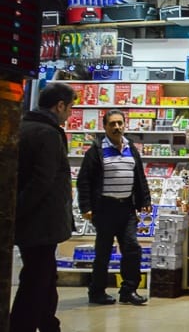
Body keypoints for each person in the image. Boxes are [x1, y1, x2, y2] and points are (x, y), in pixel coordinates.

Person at [11, 83, 76, 332]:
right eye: (70, 108)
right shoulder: (49, 133)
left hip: (32, 220)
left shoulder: (23, 127)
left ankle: (49, 324)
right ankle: (20, 326)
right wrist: (22, 209)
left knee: (45, 277)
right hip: (41, 222)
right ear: (59, 105)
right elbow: (43, 180)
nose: (70, 113)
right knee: (36, 280)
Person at [77, 109, 151, 306]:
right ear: (105, 127)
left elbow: (139, 177)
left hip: (126, 208)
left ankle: (128, 290)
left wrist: (145, 201)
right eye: (113, 124)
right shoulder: (96, 150)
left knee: (132, 248)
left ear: (125, 125)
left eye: (120, 123)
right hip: (104, 209)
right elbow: (83, 181)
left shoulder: (131, 148)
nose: (117, 127)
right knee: (103, 252)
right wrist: (85, 206)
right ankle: (97, 291)